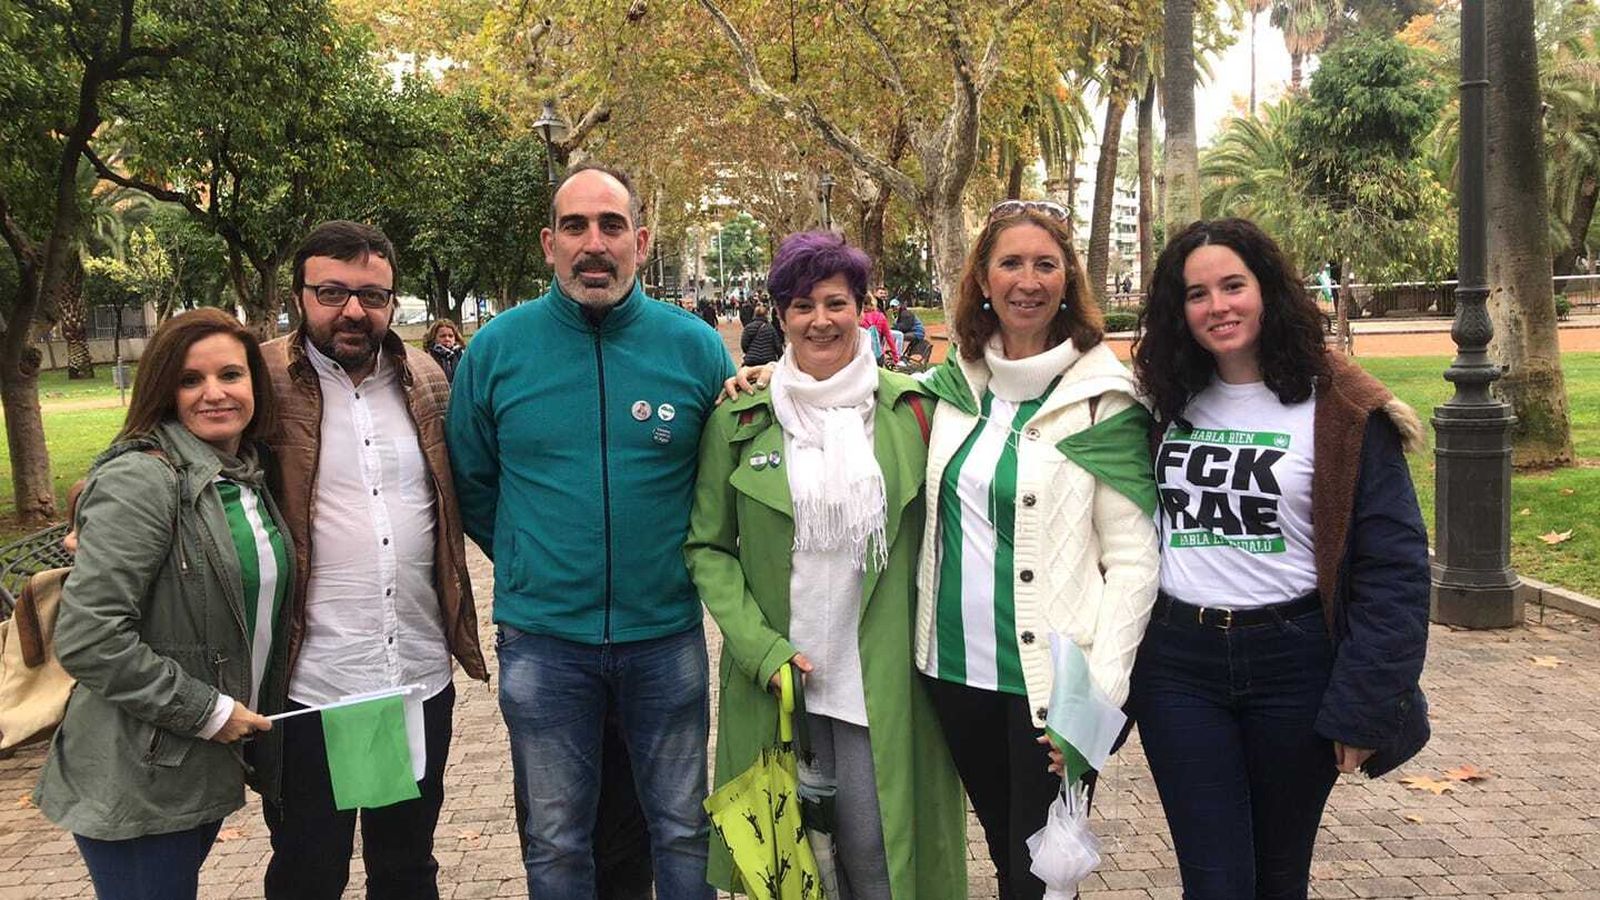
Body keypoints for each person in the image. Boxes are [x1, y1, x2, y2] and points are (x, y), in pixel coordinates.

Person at [447, 162, 732, 897]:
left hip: (663, 634)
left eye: (611, 225)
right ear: (550, 244)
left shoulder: (694, 347)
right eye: (575, 226)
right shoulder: (496, 350)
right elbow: (474, 483)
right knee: (555, 840)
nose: (593, 244)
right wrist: (529, 558)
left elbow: (721, 478)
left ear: (641, 240)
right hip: (545, 641)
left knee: (683, 828)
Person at [1128, 218, 1431, 899]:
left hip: (1296, 665)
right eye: (1197, 294)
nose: (1218, 306)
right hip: (1178, 666)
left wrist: (1365, 704)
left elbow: (1394, 568)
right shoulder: (1163, 399)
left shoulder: (1343, 406)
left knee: (1278, 877)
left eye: (1233, 286)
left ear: (1267, 290)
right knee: (1215, 882)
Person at [687, 232, 966, 899]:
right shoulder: (739, 421)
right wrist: (761, 649)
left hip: (881, 682)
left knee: (876, 857)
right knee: (793, 871)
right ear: (780, 315)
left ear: (861, 309)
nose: (820, 320)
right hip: (780, 682)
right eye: (802, 305)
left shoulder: (914, 411)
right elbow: (707, 547)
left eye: (836, 302)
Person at [914, 200, 1160, 900]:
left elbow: (1135, 561)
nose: (1028, 281)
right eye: (1011, 264)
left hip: (1052, 689)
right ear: (982, 281)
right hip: (953, 672)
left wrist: (1100, 703)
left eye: (1045, 264)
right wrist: (770, 376)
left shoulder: (1104, 399)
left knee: (1043, 876)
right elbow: (850, 395)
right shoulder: (952, 387)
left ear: (1068, 280)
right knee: (1006, 852)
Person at [257, 220, 488, 899]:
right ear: (299, 296)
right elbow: (170, 446)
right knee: (308, 870)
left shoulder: (425, 378)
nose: (354, 311)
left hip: (412, 675)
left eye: (373, 295)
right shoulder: (261, 378)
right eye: (332, 292)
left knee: (406, 866)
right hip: (312, 685)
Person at [35, 308, 291, 900]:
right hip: (137, 769)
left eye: (230, 374)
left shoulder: (243, 475)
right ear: (162, 391)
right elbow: (90, 638)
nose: (214, 393)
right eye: (189, 380)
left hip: (193, 763)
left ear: (255, 383)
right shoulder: (142, 480)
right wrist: (209, 711)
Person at [860, 293, 899, 366]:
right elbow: (889, 337)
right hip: (878, 355)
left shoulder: (858, 318)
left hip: (862, 357)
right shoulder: (881, 316)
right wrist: (895, 357)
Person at [739, 301, 783, 366]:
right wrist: (780, 357)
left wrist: (750, 352)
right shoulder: (770, 328)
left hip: (752, 360)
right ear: (766, 315)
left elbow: (744, 344)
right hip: (768, 359)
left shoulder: (748, 327)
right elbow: (777, 345)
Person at [424, 318, 465, 383]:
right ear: (434, 338)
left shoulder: (462, 355)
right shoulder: (428, 357)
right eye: (442, 336)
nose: (447, 339)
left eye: (450, 336)